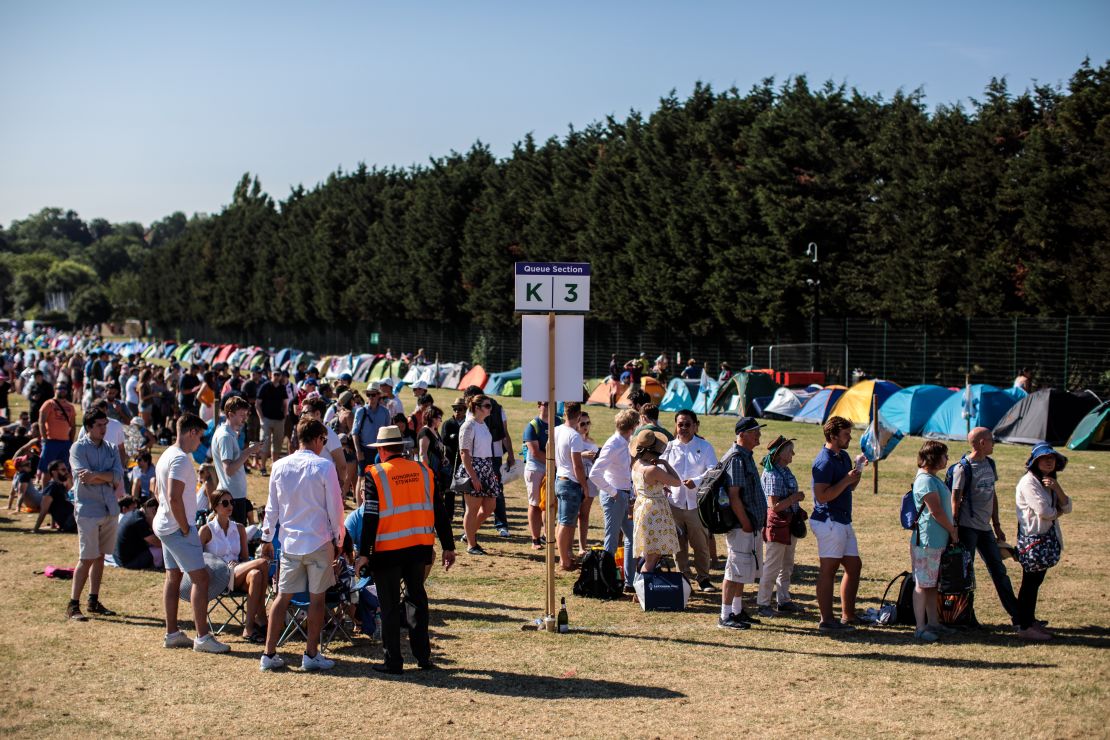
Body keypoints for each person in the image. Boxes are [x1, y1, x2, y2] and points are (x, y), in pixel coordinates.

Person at [356, 425, 456, 674]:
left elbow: (370, 517)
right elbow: (440, 511)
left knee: (389, 607)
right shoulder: (423, 471)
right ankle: (423, 657)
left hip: (387, 551)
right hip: (418, 548)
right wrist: (449, 546)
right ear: (402, 448)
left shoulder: (376, 474)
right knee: (417, 602)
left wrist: (364, 552)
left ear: (381, 449)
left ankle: (393, 661)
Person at [259, 418, 345, 671]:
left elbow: (271, 506)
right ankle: (310, 654)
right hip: (318, 540)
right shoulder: (324, 466)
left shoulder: (279, 466)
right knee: (316, 599)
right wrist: (339, 538)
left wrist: (266, 536)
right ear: (318, 439)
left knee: (281, 597)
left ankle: (268, 653)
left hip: (290, 542)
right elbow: (336, 508)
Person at [153, 413, 231, 653]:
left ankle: (172, 633)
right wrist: (186, 527)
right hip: (177, 528)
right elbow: (173, 496)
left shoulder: (167, 455)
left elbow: (157, 491)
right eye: (200, 436)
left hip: (166, 525)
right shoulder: (180, 460)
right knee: (201, 579)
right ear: (191, 432)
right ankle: (202, 637)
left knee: (173, 577)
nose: (201, 443)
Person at [950, 427, 1019, 627]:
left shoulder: (990, 464)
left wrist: (996, 524)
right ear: (981, 443)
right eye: (991, 440)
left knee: (999, 571)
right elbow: (955, 498)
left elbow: (992, 494)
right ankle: (965, 617)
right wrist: (954, 527)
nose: (993, 443)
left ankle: (1017, 617)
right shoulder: (962, 468)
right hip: (967, 528)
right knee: (965, 574)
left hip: (985, 528)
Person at [67, 408, 126, 622]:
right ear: (89, 427)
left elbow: (118, 476)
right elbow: (83, 477)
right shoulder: (78, 448)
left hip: (109, 508)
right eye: (99, 425)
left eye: (105, 424)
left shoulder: (111, 448)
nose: (104, 429)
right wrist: (106, 476)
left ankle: (93, 599)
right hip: (88, 510)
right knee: (87, 557)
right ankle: (73, 604)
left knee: (101, 556)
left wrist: (98, 475)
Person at [810, 416, 864, 633]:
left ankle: (848, 615)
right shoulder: (823, 462)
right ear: (833, 436)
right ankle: (826, 621)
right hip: (829, 520)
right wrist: (846, 480)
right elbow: (822, 496)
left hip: (842, 519)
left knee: (854, 566)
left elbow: (849, 487)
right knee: (829, 570)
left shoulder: (842, 456)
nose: (850, 437)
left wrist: (857, 470)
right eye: (846, 434)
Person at [1014, 444, 1072, 641]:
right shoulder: (1029, 483)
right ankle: (1024, 625)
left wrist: (1057, 488)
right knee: (1029, 583)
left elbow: (1068, 505)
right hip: (1033, 539)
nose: (1049, 461)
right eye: (1044, 458)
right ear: (1035, 461)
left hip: (1045, 538)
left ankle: (1029, 621)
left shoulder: (1049, 482)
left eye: (1052, 458)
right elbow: (1045, 512)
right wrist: (1059, 512)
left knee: (1035, 582)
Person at [200, 489, 271, 643]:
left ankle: (249, 628)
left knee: (256, 575)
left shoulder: (239, 528)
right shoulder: (206, 530)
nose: (230, 505)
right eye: (225, 503)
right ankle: (262, 617)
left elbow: (245, 558)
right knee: (263, 562)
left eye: (232, 502)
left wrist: (239, 565)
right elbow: (198, 559)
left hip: (237, 573)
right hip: (218, 577)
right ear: (215, 506)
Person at [718, 417, 768, 630]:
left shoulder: (745, 456)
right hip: (741, 526)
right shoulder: (737, 459)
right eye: (755, 431)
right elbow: (734, 495)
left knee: (742, 570)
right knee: (734, 569)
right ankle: (725, 615)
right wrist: (746, 522)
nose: (759, 435)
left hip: (748, 524)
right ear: (743, 434)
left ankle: (737, 611)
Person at [908, 440, 960, 642]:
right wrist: (952, 530)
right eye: (944, 455)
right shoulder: (925, 481)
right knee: (922, 584)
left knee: (932, 585)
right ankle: (920, 627)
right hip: (927, 541)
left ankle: (934, 623)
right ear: (933, 458)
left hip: (936, 540)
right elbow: (935, 511)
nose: (947, 459)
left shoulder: (932, 478)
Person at [662, 409, 718, 592]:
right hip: (674, 504)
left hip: (696, 505)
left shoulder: (705, 446)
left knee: (701, 545)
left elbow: (713, 470)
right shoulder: (669, 447)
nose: (683, 428)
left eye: (687, 424)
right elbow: (660, 469)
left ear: (695, 426)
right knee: (678, 546)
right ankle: (684, 580)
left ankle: (703, 579)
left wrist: (697, 481)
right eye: (680, 424)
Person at [757, 436, 806, 616]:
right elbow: (774, 506)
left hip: (789, 522)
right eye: (790, 450)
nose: (793, 453)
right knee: (772, 566)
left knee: (786, 564)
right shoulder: (772, 474)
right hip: (778, 524)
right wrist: (794, 498)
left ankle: (783, 600)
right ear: (781, 454)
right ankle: (763, 603)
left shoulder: (784, 470)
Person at [589, 409, 638, 586]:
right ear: (633, 426)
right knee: (611, 539)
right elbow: (595, 474)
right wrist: (614, 492)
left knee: (632, 537)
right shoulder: (614, 444)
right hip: (615, 496)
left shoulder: (625, 442)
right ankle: (605, 581)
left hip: (623, 494)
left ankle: (629, 581)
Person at [631, 429, 681, 574]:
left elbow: (638, 488)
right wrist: (665, 463)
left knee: (649, 554)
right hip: (654, 512)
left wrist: (658, 488)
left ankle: (640, 589)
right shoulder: (652, 469)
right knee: (652, 557)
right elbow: (677, 482)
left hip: (642, 507)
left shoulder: (636, 464)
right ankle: (644, 590)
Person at [458, 395, 501, 555]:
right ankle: (471, 544)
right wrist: (473, 477)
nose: (491, 408)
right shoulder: (468, 426)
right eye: (487, 406)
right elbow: (464, 452)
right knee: (472, 508)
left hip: (486, 467)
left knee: (490, 506)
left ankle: (468, 534)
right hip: (474, 468)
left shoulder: (482, 424)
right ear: (477, 407)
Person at [212, 396, 261, 526]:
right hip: (232, 496)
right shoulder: (225, 436)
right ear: (230, 414)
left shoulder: (229, 433)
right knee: (236, 537)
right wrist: (249, 451)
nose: (245, 418)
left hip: (233, 494)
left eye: (246, 414)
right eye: (241, 415)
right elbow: (229, 469)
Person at [553, 402, 589, 571]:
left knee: (562, 522)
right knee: (567, 524)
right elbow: (578, 466)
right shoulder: (574, 436)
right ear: (579, 415)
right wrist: (585, 486)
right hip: (570, 482)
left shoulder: (557, 430)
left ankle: (565, 555)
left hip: (559, 479)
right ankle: (564, 560)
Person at [522, 401, 558, 550]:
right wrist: (555, 463)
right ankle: (535, 539)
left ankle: (547, 536)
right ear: (539, 406)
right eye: (544, 403)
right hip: (536, 468)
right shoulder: (532, 426)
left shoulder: (559, 422)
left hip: (554, 467)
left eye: (551, 403)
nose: (548, 406)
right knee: (535, 504)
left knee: (551, 504)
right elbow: (535, 452)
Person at [38, 381, 76, 481]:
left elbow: (73, 425)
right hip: (51, 441)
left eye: (64, 388)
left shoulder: (70, 407)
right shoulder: (48, 404)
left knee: (64, 470)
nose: (62, 390)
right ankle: (45, 492)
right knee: (46, 470)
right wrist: (45, 439)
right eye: (60, 388)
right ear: (55, 390)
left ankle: (62, 493)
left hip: (65, 443)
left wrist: (70, 441)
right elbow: (41, 422)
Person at [575, 412, 600, 555]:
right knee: (572, 514)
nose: (585, 426)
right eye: (582, 423)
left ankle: (582, 547)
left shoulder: (591, 441)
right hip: (577, 479)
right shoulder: (574, 439)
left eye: (587, 423)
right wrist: (582, 455)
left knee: (584, 515)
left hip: (590, 480)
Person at [115, 497, 164, 570]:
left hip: (119, 560)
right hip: (129, 563)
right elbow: (157, 542)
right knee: (162, 550)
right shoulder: (139, 520)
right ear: (154, 510)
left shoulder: (134, 514)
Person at [255, 369, 288, 475]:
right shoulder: (265, 386)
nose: (277, 376)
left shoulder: (282, 388)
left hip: (279, 420)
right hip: (267, 420)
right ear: (270, 375)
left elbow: (285, 403)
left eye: (279, 375)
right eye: (275, 374)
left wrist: (284, 417)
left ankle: (275, 466)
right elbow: (257, 403)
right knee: (265, 444)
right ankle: (263, 467)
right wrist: (261, 418)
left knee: (277, 444)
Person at [351, 382, 390, 472]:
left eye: (373, 394)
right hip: (364, 450)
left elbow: (388, 433)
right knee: (362, 479)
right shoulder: (360, 411)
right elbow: (355, 433)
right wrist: (358, 451)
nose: (371, 397)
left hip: (380, 451)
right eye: (368, 395)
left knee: (380, 479)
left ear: (378, 395)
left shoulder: (385, 412)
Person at [33, 459, 76, 533]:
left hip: (72, 519)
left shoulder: (60, 486)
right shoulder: (51, 488)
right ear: (54, 472)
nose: (67, 472)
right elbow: (44, 510)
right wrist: (35, 529)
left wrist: (69, 480)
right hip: (69, 523)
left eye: (67, 469)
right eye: (63, 470)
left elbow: (73, 499)